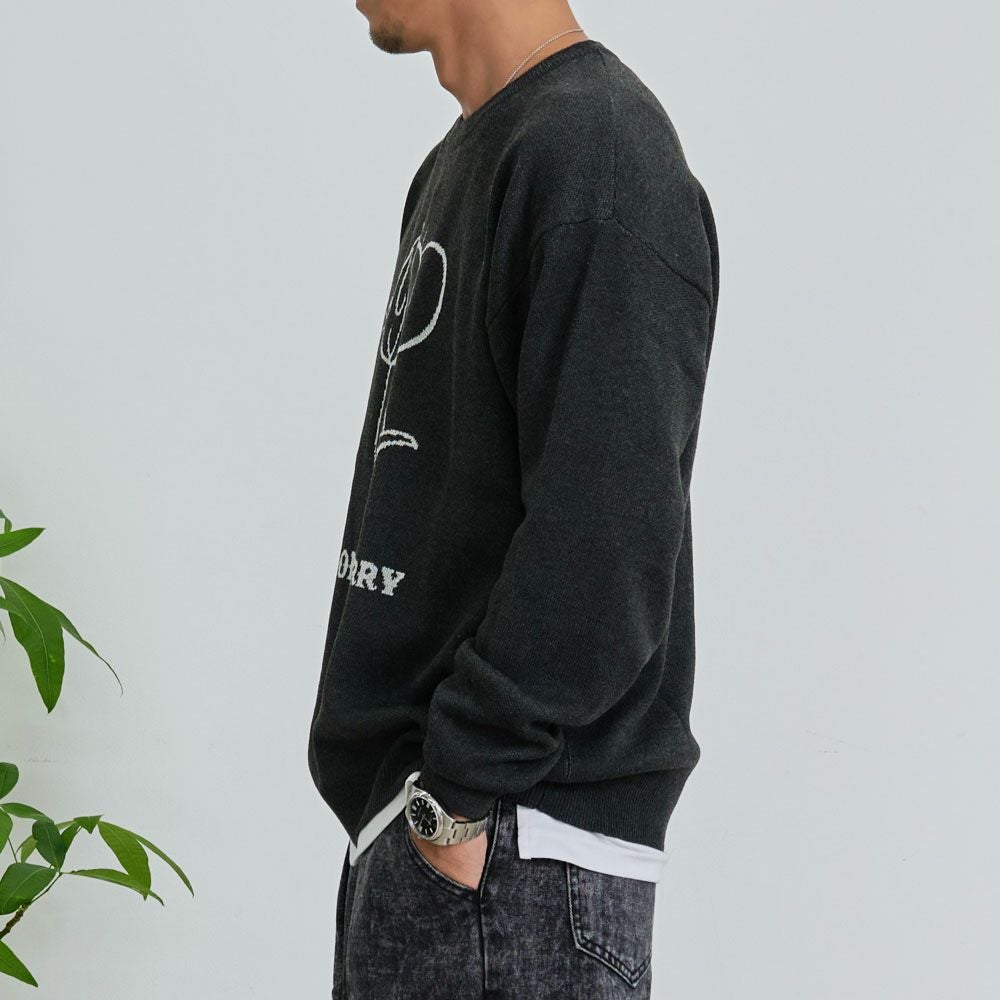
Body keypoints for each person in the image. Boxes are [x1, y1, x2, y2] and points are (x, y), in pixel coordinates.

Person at [307, 1, 720, 996]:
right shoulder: (478, 155)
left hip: (511, 857)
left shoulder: (597, 156)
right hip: (454, 847)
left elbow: (607, 537)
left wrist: (456, 801)